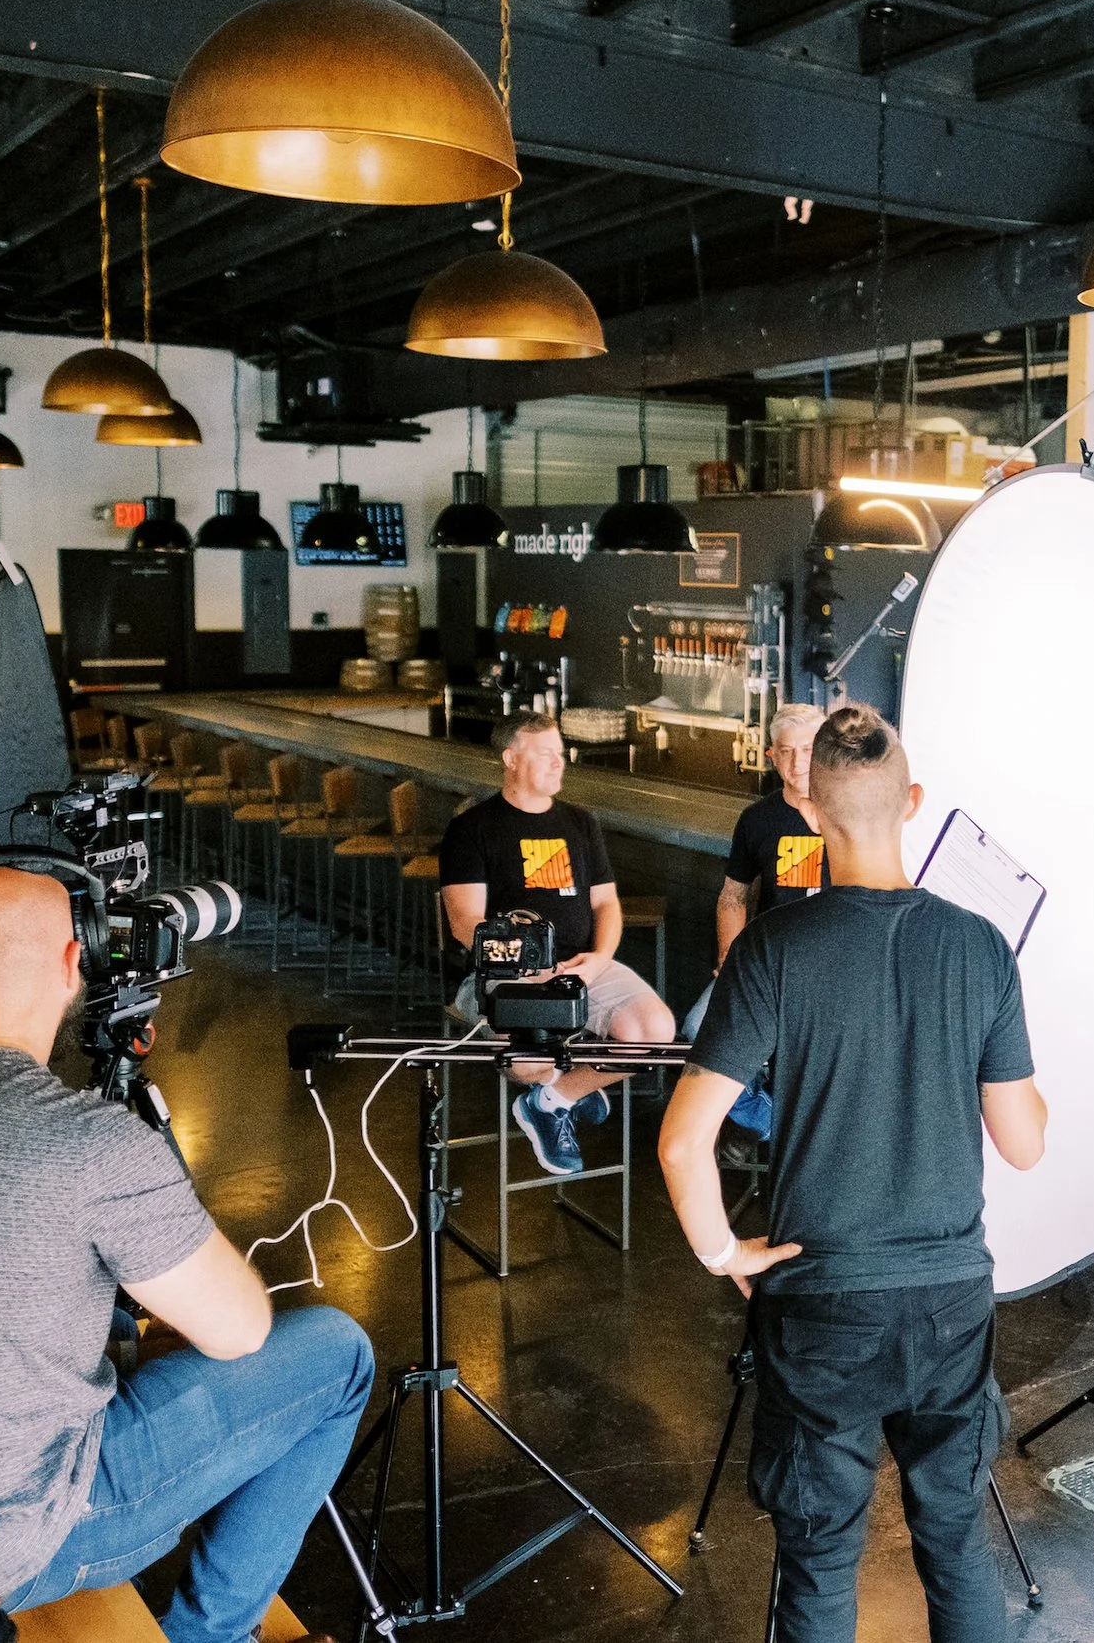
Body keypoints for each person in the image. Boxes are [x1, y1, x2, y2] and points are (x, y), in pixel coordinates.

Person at [0, 866, 371, 1643]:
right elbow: (240, 1332)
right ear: (74, 963)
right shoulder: (88, 1142)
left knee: (122, 1339)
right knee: (338, 1355)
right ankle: (214, 1635)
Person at [658, 706, 1049, 1643]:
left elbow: (682, 1141)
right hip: (949, 1297)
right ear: (913, 802)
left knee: (822, 1557)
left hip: (822, 1297)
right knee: (955, 1542)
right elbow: (1025, 1143)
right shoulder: (981, 946)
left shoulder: (771, 952)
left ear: (812, 816)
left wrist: (724, 1250)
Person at [441, 709, 675, 1175]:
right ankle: (558, 1086)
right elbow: (464, 921)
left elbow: (607, 905)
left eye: (560, 753)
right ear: (511, 759)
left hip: (582, 968)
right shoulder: (473, 828)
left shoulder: (580, 823)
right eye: (546, 754)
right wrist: (525, 969)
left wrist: (597, 961)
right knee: (526, 1060)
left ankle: (552, 1100)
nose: (560, 762)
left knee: (656, 1034)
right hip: (507, 975)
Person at [687, 702, 829, 1134]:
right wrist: (731, 957)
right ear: (770, 755)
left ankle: (799, 1127)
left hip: (829, 966)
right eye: (786, 751)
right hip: (767, 963)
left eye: (808, 749)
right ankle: (765, 1115)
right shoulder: (758, 819)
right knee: (697, 1029)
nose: (797, 762)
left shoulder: (846, 813)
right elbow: (732, 898)